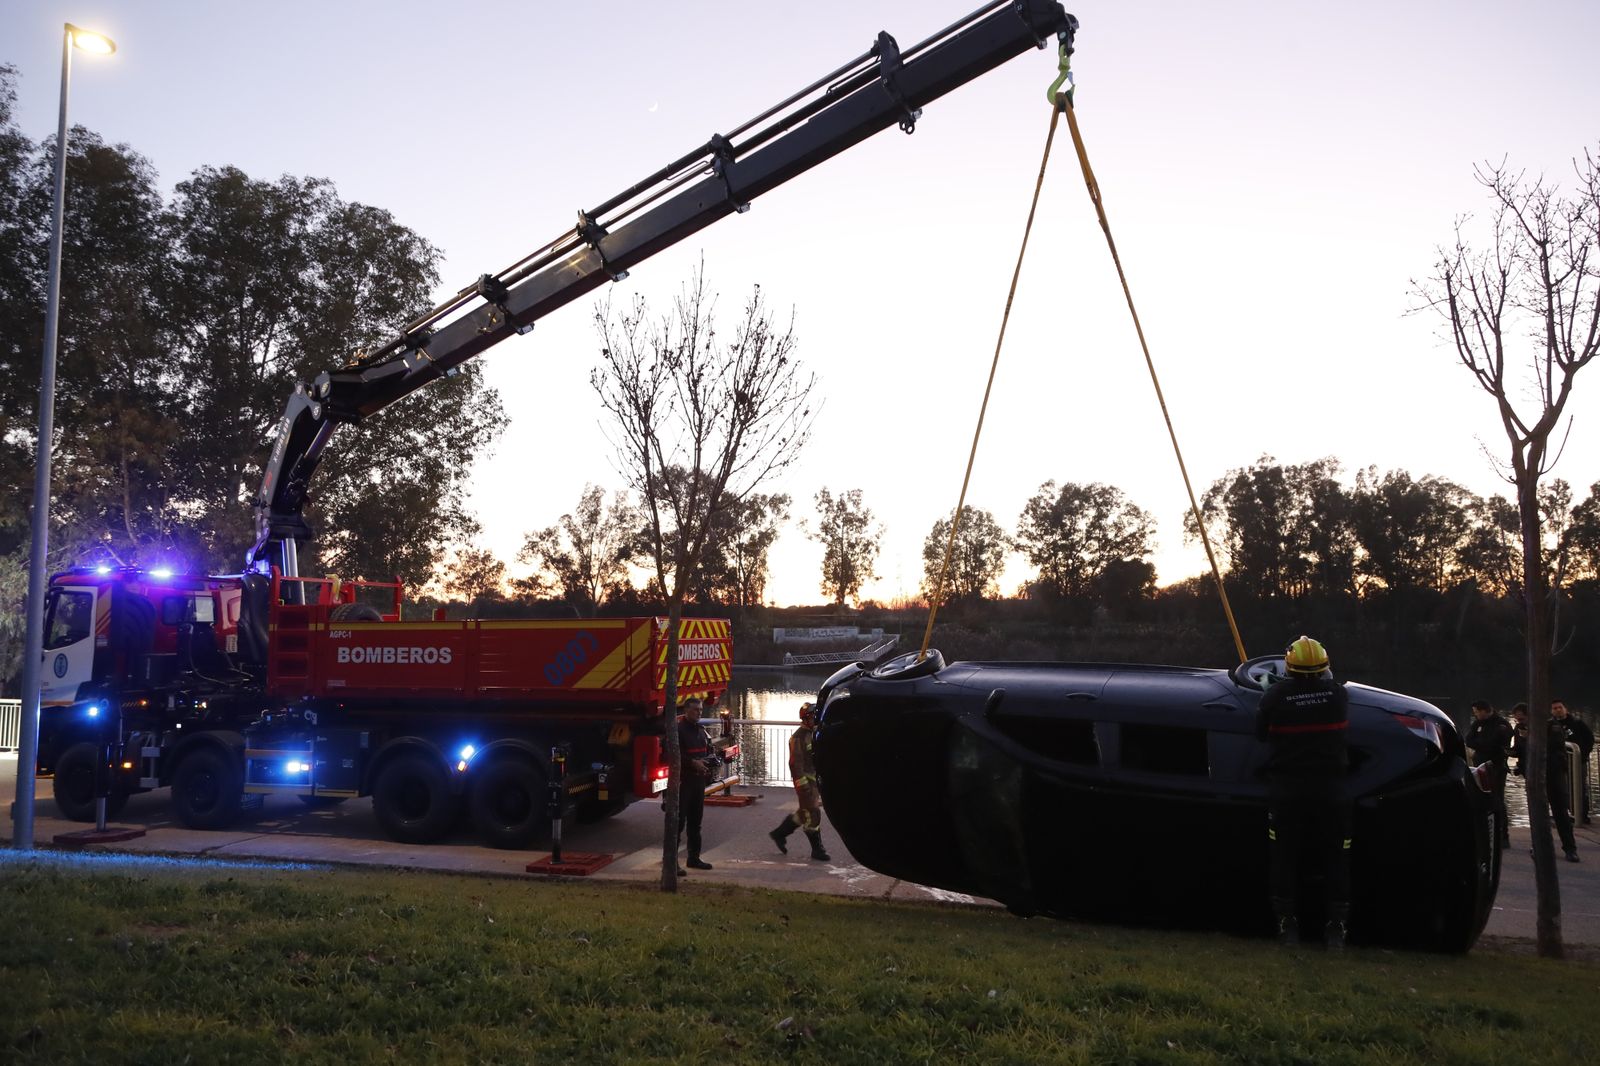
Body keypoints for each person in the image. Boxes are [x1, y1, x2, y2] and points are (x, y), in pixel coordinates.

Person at [1256, 635, 1350, 950]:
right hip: (1332, 793)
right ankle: (1336, 927)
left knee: (1284, 858)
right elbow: (1332, 685)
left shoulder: (1274, 697)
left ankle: (1287, 925)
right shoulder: (1338, 697)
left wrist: (1268, 691)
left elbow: (1260, 734)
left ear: (1288, 666)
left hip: (1287, 793)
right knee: (1336, 858)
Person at [769, 701, 831, 861]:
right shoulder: (798, 738)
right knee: (813, 813)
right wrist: (803, 786)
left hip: (814, 781)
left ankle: (779, 833)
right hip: (805, 783)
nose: (815, 720)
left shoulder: (815, 733)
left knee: (804, 812)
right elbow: (795, 764)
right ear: (805, 718)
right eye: (813, 717)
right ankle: (817, 850)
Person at [1463, 700, 1513, 850]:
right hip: (1479, 767)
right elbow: (1469, 740)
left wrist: (1481, 744)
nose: (1475, 715)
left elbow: (1495, 743)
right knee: (1480, 799)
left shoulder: (1502, 725)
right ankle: (1484, 833)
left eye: (1477, 712)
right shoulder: (1478, 724)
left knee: (1497, 799)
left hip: (1496, 767)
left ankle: (1503, 835)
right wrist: (1482, 744)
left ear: (1485, 710)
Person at [676, 697, 716, 872]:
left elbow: (707, 752)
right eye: (695, 709)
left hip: (698, 783)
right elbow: (673, 754)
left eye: (700, 710)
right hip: (682, 782)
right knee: (677, 824)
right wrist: (692, 763)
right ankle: (672, 862)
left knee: (695, 822)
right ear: (686, 710)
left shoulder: (701, 731)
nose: (699, 712)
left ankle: (694, 858)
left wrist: (710, 763)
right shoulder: (678, 730)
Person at [1551, 700, 1594, 826]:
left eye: (1560, 707)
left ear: (1565, 709)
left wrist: (1582, 754)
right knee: (1562, 788)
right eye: (1554, 708)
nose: (1558, 710)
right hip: (1559, 763)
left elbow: (1589, 739)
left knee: (1579, 787)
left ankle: (1582, 815)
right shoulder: (1550, 724)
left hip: (1578, 761)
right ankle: (1566, 814)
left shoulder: (1577, 723)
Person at [1509, 703, 1530, 777]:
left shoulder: (1540, 727)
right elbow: (1517, 747)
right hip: (1524, 764)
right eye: (1517, 720)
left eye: (1521, 719)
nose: (1519, 722)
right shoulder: (1518, 727)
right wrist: (1508, 752)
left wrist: (1528, 737)